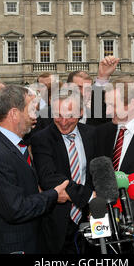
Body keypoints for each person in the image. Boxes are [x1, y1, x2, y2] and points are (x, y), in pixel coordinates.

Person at [0, 84, 69, 254]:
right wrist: (53, 195)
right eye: (32, 109)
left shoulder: (18, 145)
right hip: (12, 247)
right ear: (14, 113)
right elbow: (15, 209)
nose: (36, 116)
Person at [31, 87, 96, 253]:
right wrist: (89, 197)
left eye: (70, 115)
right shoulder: (41, 139)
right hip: (56, 222)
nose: (64, 121)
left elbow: (95, 174)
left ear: (81, 112)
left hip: (90, 221)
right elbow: (48, 178)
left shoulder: (92, 134)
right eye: (58, 115)